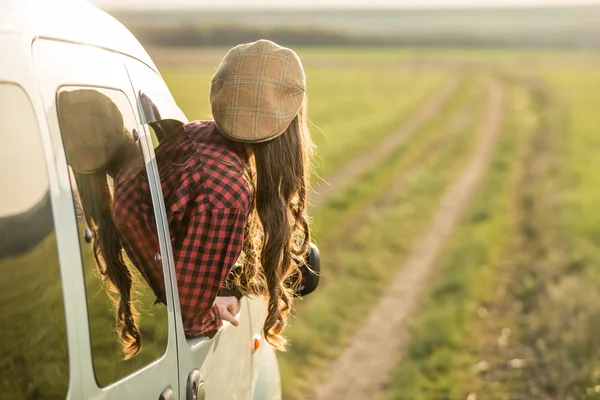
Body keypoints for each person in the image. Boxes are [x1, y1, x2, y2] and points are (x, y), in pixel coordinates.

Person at [58, 39, 315, 359]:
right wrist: (211, 311)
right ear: (287, 129)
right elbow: (189, 316)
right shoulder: (226, 196)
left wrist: (212, 293)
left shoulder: (197, 133)